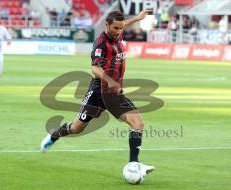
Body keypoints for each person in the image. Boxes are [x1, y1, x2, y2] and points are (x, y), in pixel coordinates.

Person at [41, 10, 155, 176]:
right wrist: (110, 80)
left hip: (113, 92)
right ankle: (54, 136)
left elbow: (122, 25)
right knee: (76, 128)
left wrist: (137, 19)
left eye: (121, 28)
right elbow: (95, 67)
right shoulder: (102, 43)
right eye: (115, 28)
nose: (119, 31)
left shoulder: (117, 34)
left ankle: (134, 164)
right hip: (100, 90)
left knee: (138, 123)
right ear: (106, 25)